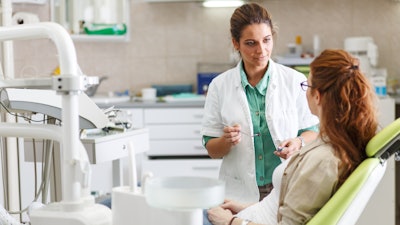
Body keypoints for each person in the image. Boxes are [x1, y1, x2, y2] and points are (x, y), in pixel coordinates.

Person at [206, 48, 379, 225]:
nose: (305, 91)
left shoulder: (324, 161)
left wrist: (230, 221)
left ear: (317, 96)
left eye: (307, 86)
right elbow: (285, 208)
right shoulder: (332, 142)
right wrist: (243, 208)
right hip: (251, 211)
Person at [201, 2, 319, 204]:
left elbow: (313, 131)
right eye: (251, 43)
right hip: (238, 191)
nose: (261, 50)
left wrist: (298, 142)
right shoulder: (219, 86)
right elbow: (212, 149)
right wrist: (226, 141)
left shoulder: (294, 80)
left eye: (266, 40)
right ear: (235, 43)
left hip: (285, 188)